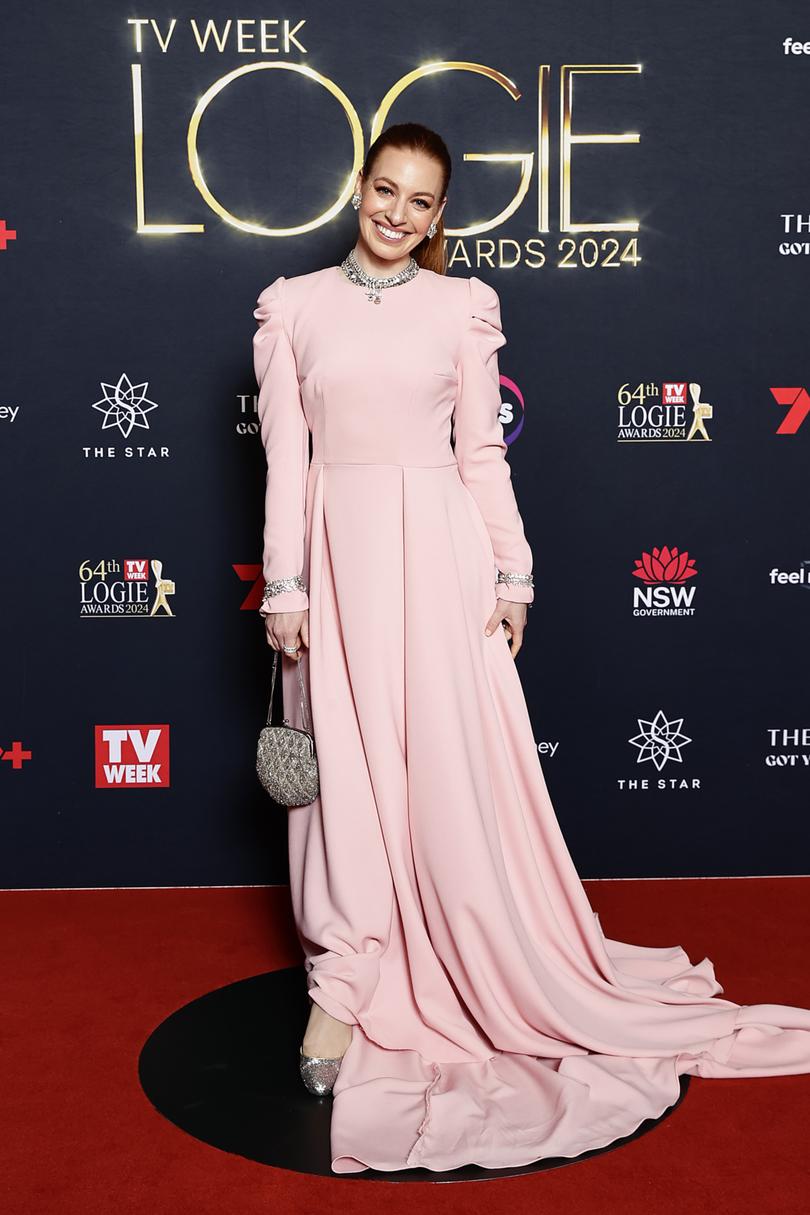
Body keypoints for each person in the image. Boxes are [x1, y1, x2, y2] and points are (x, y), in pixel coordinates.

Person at [253, 122, 810, 1174]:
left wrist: (514, 575)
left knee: (447, 789)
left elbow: (480, 454)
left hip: (441, 565)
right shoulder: (293, 310)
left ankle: (479, 958)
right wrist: (285, 585)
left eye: (421, 202)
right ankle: (345, 989)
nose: (398, 215)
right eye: (386, 190)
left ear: (439, 213)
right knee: (349, 797)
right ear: (358, 187)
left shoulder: (460, 309)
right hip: (338, 569)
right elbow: (288, 461)